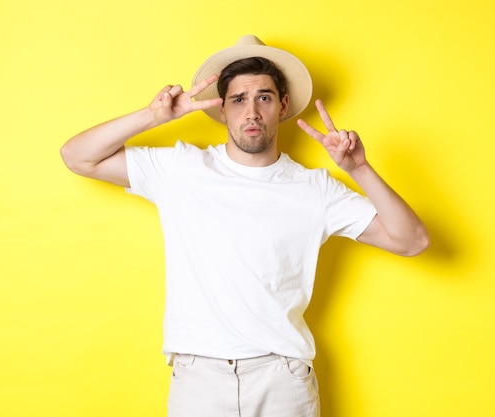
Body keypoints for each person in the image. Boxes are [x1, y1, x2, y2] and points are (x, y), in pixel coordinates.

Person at [60, 35, 429, 417]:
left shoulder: (315, 188)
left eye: (264, 98)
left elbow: (412, 240)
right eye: (238, 100)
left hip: (282, 379)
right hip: (198, 379)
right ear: (221, 109)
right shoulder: (181, 169)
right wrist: (153, 117)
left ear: (282, 106)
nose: (251, 112)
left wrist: (360, 170)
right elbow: (77, 156)